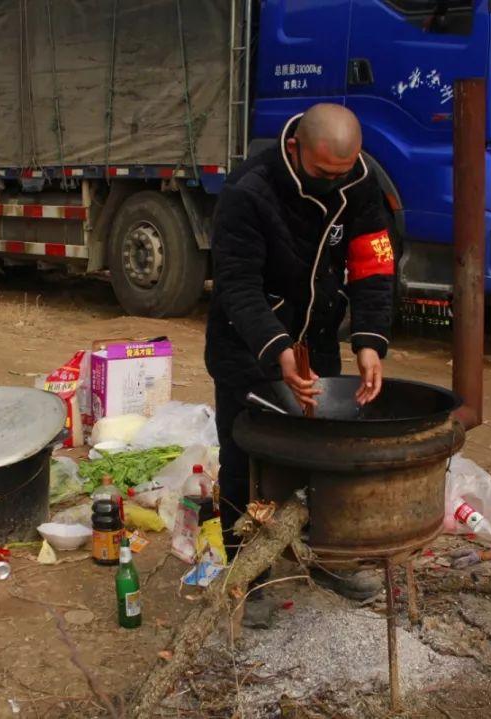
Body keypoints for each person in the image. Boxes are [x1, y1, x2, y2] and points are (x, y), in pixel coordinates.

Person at [205, 104, 395, 608]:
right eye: (323, 173)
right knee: (246, 458)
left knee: (321, 455)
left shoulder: (360, 182)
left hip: (318, 342)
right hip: (248, 345)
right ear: (296, 149)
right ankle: (250, 574)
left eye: (344, 173)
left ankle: (324, 558)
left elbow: (373, 265)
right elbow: (237, 286)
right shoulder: (250, 191)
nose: (336, 184)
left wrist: (371, 341)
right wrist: (278, 351)